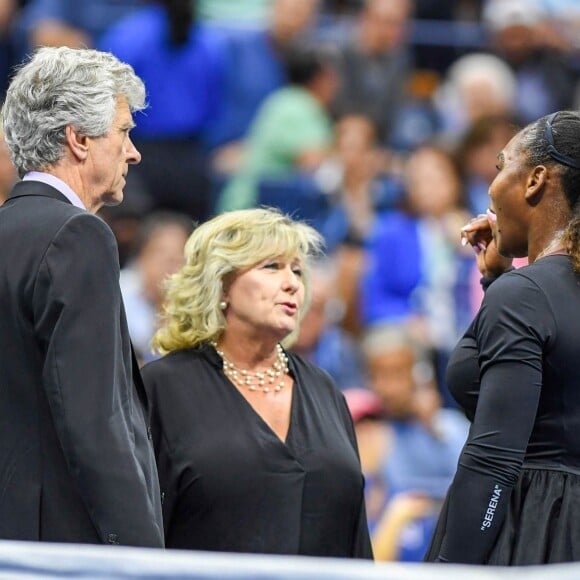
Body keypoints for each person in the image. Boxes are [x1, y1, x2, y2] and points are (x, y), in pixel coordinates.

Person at [0, 46, 163, 546]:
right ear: (78, 139)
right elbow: (95, 423)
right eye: (124, 132)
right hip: (61, 547)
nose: (133, 152)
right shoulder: (78, 236)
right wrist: (143, 557)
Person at [142, 207, 373, 557]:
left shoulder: (324, 389)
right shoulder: (161, 387)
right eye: (272, 267)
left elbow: (356, 537)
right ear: (221, 285)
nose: (292, 283)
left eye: (297, 270)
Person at [425, 110, 580, 564]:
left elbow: (493, 462)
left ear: (534, 180)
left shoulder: (524, 296)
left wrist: (453, 570)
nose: (491, 190)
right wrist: (498, 281)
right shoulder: (522, 293)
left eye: (500, 167)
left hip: (533, 534)